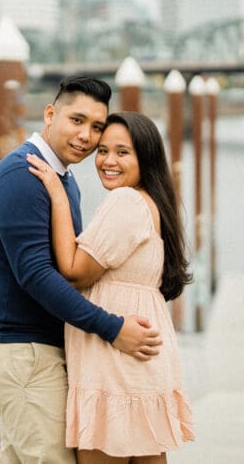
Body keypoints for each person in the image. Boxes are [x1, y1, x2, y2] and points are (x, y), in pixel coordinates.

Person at [0, 76, 164, 464]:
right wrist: (112, 328)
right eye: (77, 120)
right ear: (50, 114)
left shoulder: (61, 177)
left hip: (41, 351)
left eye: (96, 126)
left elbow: (73, 263)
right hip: (23, 352)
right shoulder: (23, 177)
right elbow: (37, 276)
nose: (86, 136)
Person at [26, 111, 195, 462]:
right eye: (102, 151)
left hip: (115, 364)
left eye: (122, 152)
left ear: (144, 157)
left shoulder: (126, 202)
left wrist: (58, 196)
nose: (108, 161)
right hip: (139, 361)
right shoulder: (151, 203)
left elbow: (75, 271)